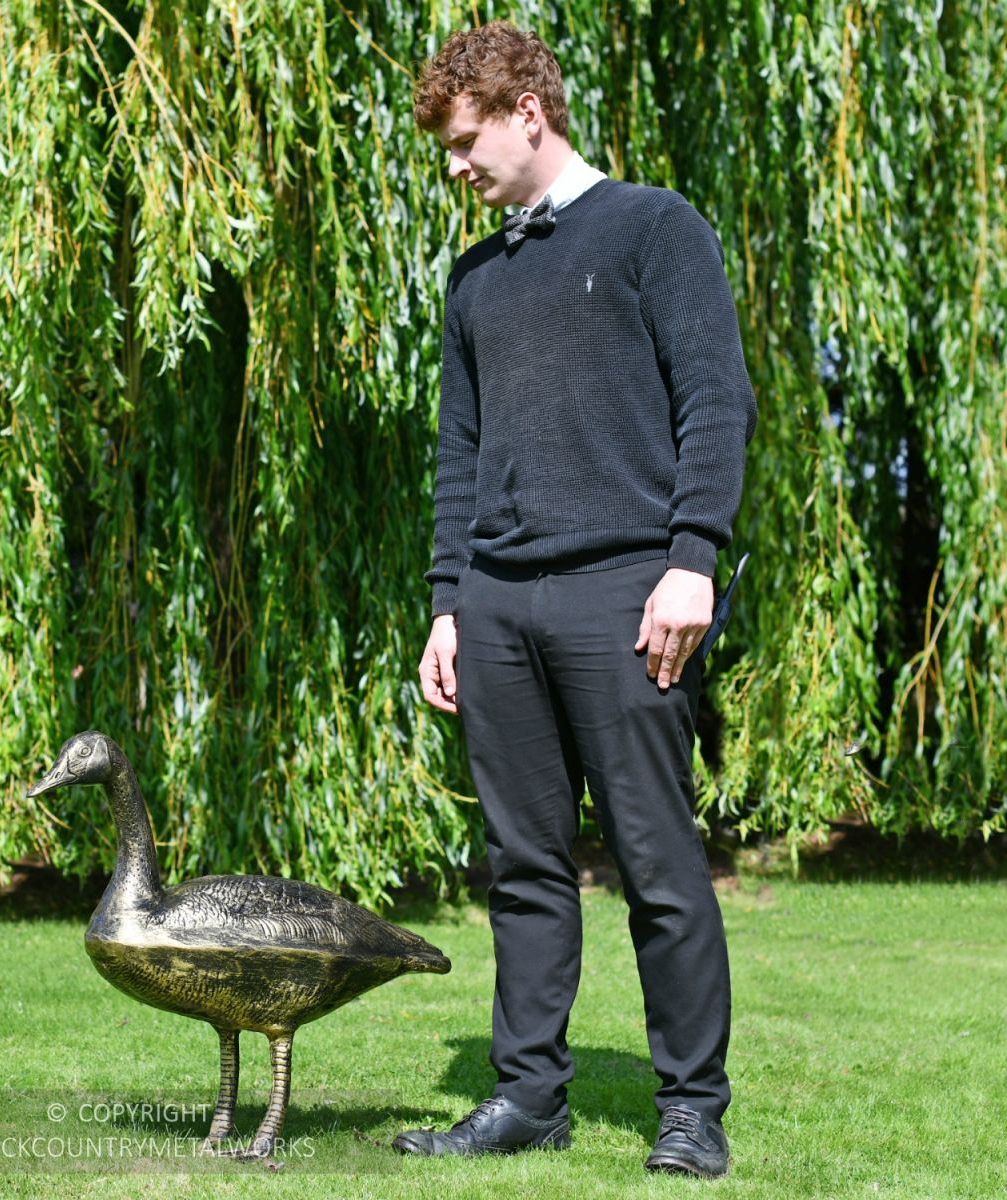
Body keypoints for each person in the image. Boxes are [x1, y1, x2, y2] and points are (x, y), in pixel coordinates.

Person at [394, 22, 757, 1179]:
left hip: (626, 592)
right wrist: (449, 603)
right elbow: (460, 450)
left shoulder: (657, 228)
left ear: (526, 114)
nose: (455, 167)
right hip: (497, 604)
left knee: (657, 863)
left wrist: (691, 558)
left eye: (463, 143)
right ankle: (526, 1100)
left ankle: (692, 1108)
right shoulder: (475, 279)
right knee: (525, 867)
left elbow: (715, 399)